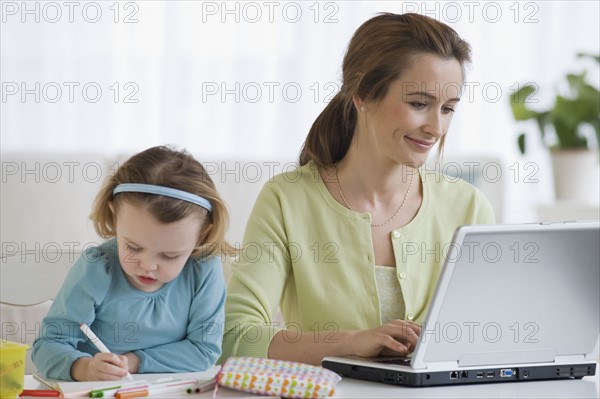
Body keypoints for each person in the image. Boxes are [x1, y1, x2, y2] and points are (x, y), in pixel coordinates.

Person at [221, 13, 495, 366]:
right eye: (418, 104)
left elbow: (487, 333)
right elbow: (234, 337)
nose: (436, 127)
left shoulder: (468, 207)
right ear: (362, 94)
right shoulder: (287, 199)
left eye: (448, 109)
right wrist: (352, 342)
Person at [32, 146, 236, 381]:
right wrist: (84, 368)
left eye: (169, 256)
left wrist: (132, 362)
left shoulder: (204, 268)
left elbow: (204, 351)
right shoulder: (98, 267)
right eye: (133, 247)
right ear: (115, 216)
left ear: (201, 236)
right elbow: (48, 345)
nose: (148, 265)